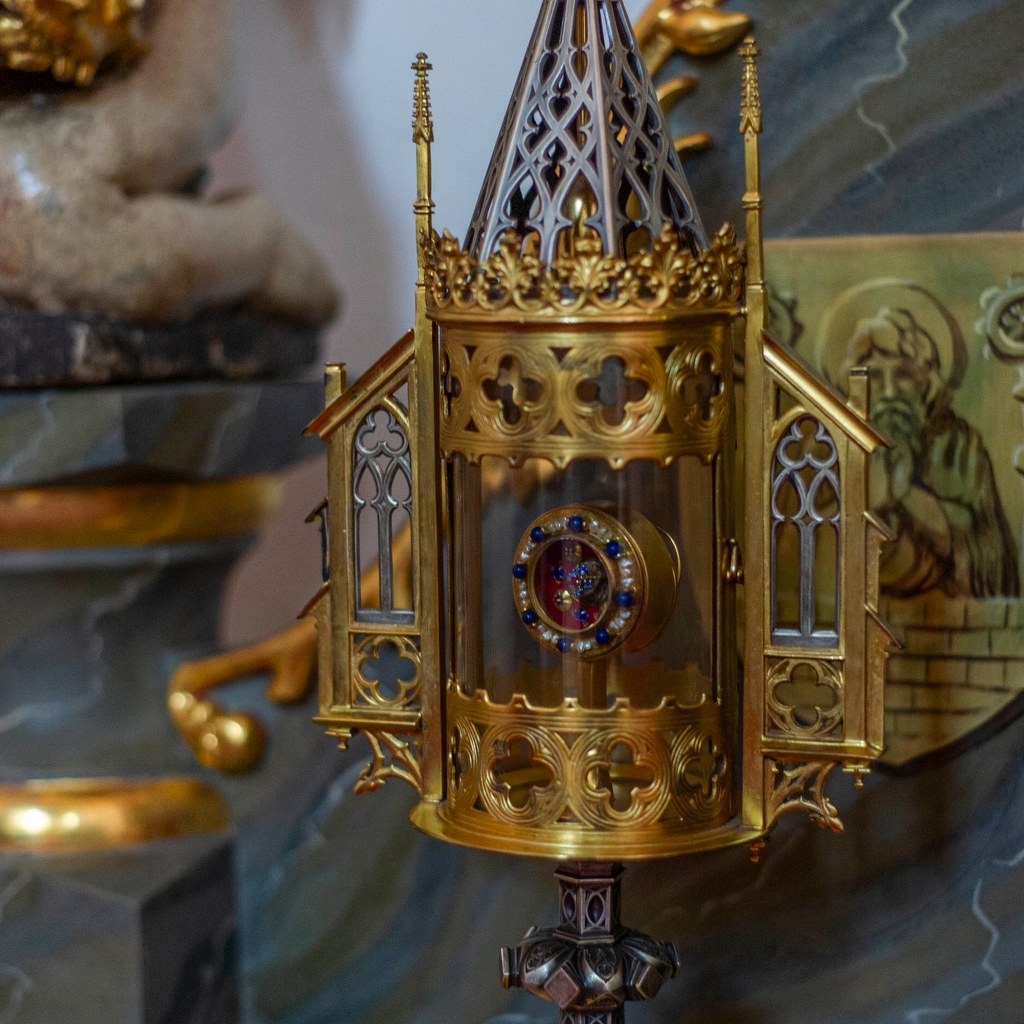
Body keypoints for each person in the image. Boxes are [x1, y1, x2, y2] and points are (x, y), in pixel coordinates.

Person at [827, 282, 1018, 599]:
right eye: (874, 377)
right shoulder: (831, 446)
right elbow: (812, 551)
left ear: (927, 382)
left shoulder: (959, 447)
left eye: (904, 375)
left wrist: (908, 494)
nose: (890, 393)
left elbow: (988, 559)